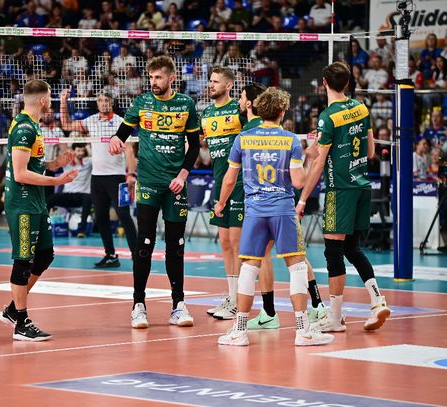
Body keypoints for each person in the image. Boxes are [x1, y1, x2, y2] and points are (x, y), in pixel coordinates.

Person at [215, 87, 334, 346]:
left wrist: (221, 203)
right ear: (282, 112)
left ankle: (239, 331)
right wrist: (309, 158)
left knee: (249, 268)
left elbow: (229, 179)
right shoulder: (290, 141)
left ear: (259, 110)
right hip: (282, 210)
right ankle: (302, 331)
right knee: (297, 266)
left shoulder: (243, 139)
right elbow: (299, 182)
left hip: (254, 211)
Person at [296, 62, 391, 333]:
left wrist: (302, 199)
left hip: (340, 189)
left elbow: (319, 163)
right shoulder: (361, 108)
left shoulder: (328, 116)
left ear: (324, 83)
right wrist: (314, 149)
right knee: (352, 249)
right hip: (362, 186)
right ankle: (377, 300)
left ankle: (336, 318)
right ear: (347, 83)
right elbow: (370, 151)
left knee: (333, 252)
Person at [109, 55, 200, 329]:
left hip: (175, 186)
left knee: (176, 246)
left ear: (172, 78)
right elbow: (122, 132)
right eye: (151, 77)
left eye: (158, 77)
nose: (153, 82)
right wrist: (115, 139)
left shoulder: (186, 104)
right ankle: (138, 305)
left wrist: (183, 175)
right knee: (144, 244)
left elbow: (194, 145)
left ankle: (178, 305)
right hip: (148, 183)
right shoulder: (142, 103)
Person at [0, 79, 78, 341]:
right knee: (24, 260)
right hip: (22, 204)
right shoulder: (24, 128)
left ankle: (12, 309)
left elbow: (34, 164)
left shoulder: (34, 126)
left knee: (44, 255)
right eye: (50, 96)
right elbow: (21, 174)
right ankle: (21, 322)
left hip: (36, 203)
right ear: (42, 100)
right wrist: (57, 181)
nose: (51, 101)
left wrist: (55, 164)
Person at [60, 91, 138, 267]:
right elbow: (66, 124)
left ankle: (137, 254)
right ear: (97, 104)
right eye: (100, 101)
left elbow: (129, 150)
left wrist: (131, 174)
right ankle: (111, 255)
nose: (103, 103)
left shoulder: (120, 122)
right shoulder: (91, 121)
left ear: (112, 103)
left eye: (107, 100)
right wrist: (64, 102)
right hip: (97, 178)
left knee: (124, 215)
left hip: (117, 177)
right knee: (101, 217)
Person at [200, 67, 246, 320]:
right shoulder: (206, 114)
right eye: (210, 81)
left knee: (237, 244)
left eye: (216, 81)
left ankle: (238, 300)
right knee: (225, 243)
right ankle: (231, 296)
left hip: (239, 183)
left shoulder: (238, 111)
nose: (211, 85)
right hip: (220, 183)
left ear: (229, 86)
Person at [46, 143, 93, 234]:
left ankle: (82, 231)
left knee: (88, 198)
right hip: (68, 195)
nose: (81, 153)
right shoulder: (67, 163)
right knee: (49, 199)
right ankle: (44, 226)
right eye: (78, 150)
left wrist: (88, 144)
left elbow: (95, 159)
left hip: (82, 196)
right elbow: (52, 168)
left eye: (83, 151)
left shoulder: (88, 162)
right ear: (73, 151)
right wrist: (54, 149)